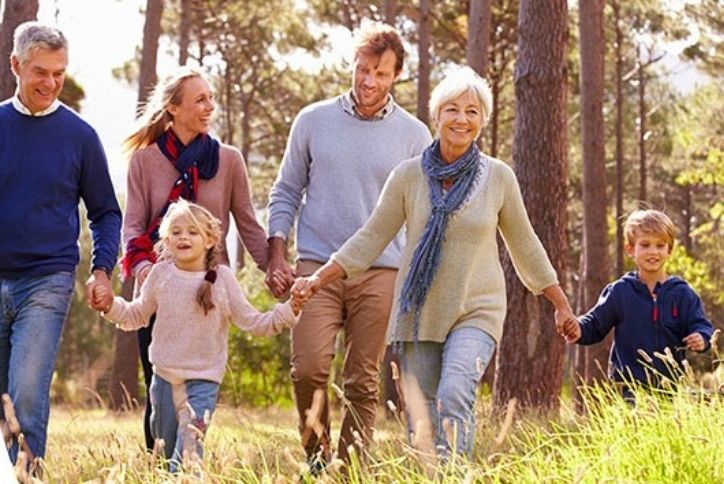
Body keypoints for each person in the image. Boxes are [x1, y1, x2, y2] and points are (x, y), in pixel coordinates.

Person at [292, 66, 576, 459]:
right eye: (453, 109)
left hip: (477, 309)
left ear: (482, 121)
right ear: (437, 115)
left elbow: (524, 244)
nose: (462, 119)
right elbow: (372, 237)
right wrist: (318, 278)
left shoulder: (498, 178)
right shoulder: (407, 177)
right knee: (422, 419)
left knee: (455, 390)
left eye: (472, 111)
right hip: (420, 312)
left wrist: (560, 303)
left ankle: (454, 473)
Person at [266, 20, 432, 469]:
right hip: (315, 267)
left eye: (380, 73)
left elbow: (422, 212)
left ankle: (350, 470)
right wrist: (276, 252)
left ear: (396, 75)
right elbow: (286, 190)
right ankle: (317, 461)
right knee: (309, 368)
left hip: (381, 270)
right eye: (362, 69)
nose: (368, 81)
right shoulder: (313, 120)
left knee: (361, 381)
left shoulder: (415, 136)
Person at [121, 66, 269, 451]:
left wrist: (274, 268)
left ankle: (187, 465)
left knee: (199, 394)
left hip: (208, 291)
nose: (209, 107)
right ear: (173, 108)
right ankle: (158, 467)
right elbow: (133, 226)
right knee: (159, 392)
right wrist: (147, 275)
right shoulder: (144, 161)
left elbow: (249, 224)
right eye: (200, 99)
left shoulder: (229, 160)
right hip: (161, 291)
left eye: (211, 98)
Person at [94, 200, 300, 470]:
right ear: (166, 239)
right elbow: (136, 315)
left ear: (210, 239)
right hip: (165, 379)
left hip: (203, 381)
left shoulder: (222, 280)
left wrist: (290, 309)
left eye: (192, 232)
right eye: (176, 232)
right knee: (166, 452)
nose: (184, 237)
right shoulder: (161, 275)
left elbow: (254, 322)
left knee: (188, 454)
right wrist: (110, 306)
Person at [0, 22, 121, 465]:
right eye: (40, 72)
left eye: (59, 73)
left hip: (46, 279)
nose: (51, 83)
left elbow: (106, 211)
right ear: (16, 65)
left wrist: (102, 269)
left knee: (27, 392)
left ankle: (27, 477)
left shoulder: (80, 137)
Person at [562, 210, 714, 393]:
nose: (653, 251)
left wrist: (702, 338)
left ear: (669, 250)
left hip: (671, 387)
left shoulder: (683, 293)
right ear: (630, 249)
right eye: (645, 245)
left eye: (660, 245)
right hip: (630, 387)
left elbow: (701, 325)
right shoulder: (620, 292)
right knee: (634, 421)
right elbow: (594, 323)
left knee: (665, 422)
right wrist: (578, 328)